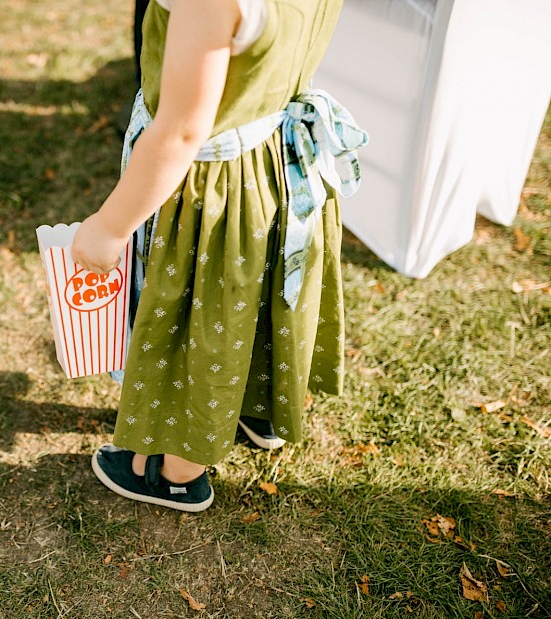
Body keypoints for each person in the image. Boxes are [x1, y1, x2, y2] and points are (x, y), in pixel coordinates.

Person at [71, 0, 367, 512]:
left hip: (214, 188)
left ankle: (176, 472)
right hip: (275, 162)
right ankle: (256, 409)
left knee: (199, 315)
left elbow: (181, 132)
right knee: (254, 295)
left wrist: (110, 225)